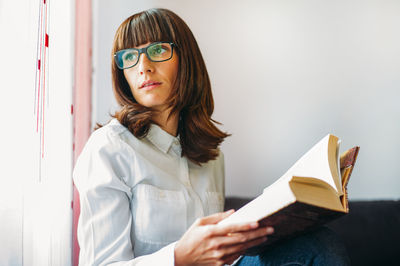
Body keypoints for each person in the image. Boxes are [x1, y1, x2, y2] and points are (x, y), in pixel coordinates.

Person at [73, 8, 350, 266]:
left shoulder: (212, 157)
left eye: (158, 50)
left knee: (318, 243)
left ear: (187, 60)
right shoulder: (108, 150)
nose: (143, 66)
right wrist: (178, 257)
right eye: (129, 57)